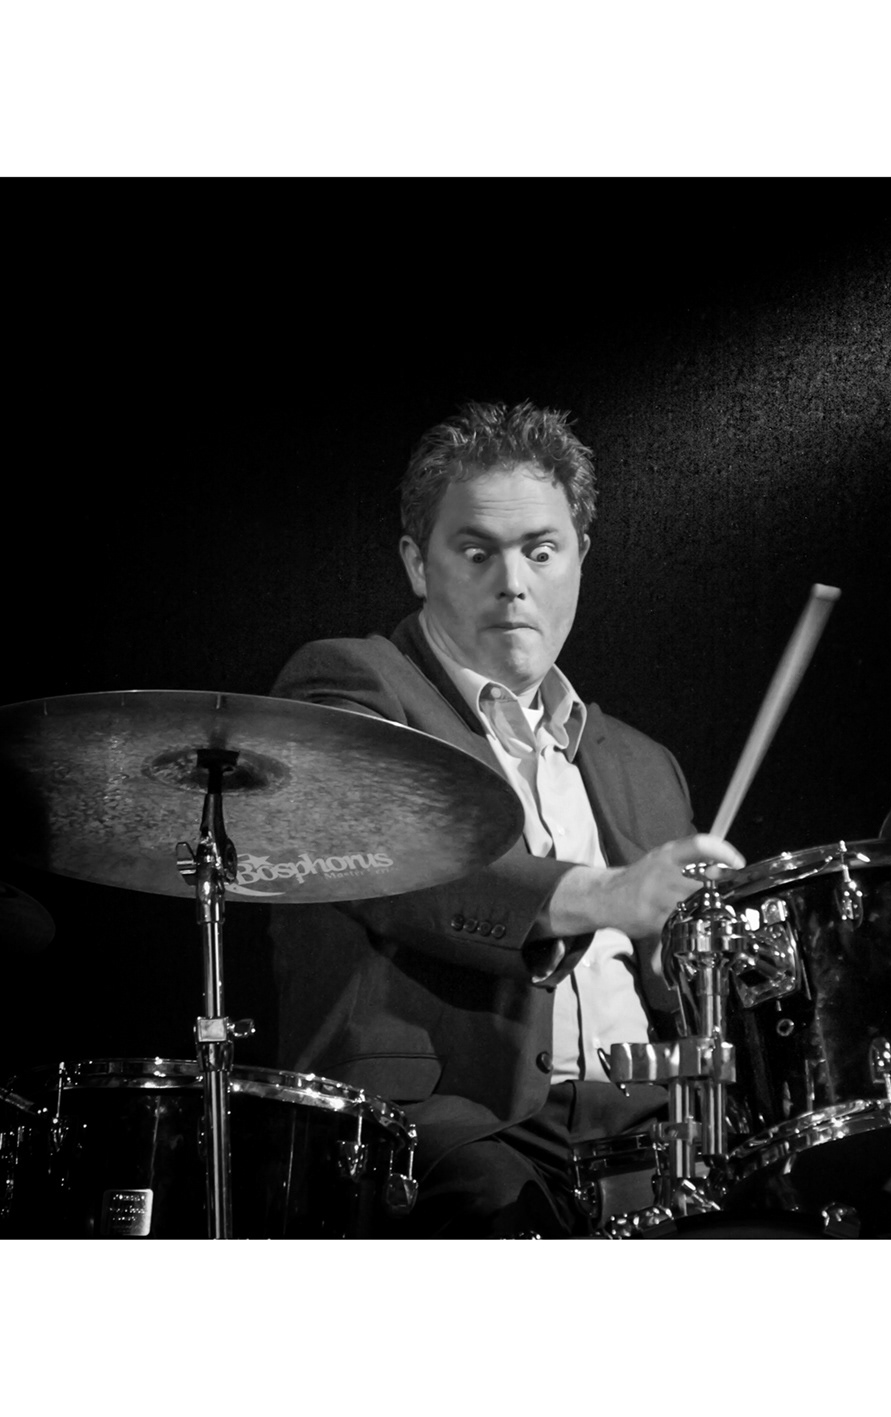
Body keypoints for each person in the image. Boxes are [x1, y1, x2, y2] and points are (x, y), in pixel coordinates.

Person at [269, 400, 744, 1237]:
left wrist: (692, 946)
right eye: (477, 551)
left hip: (638, 1120)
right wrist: (607, 894)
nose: (513, 581)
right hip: (445, 1119)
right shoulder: (351, 685)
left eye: (541, 550)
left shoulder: (646, 765)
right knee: (503, 1207)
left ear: (580, 557)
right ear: (418, 564)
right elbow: (401, 859)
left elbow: (673, 991)